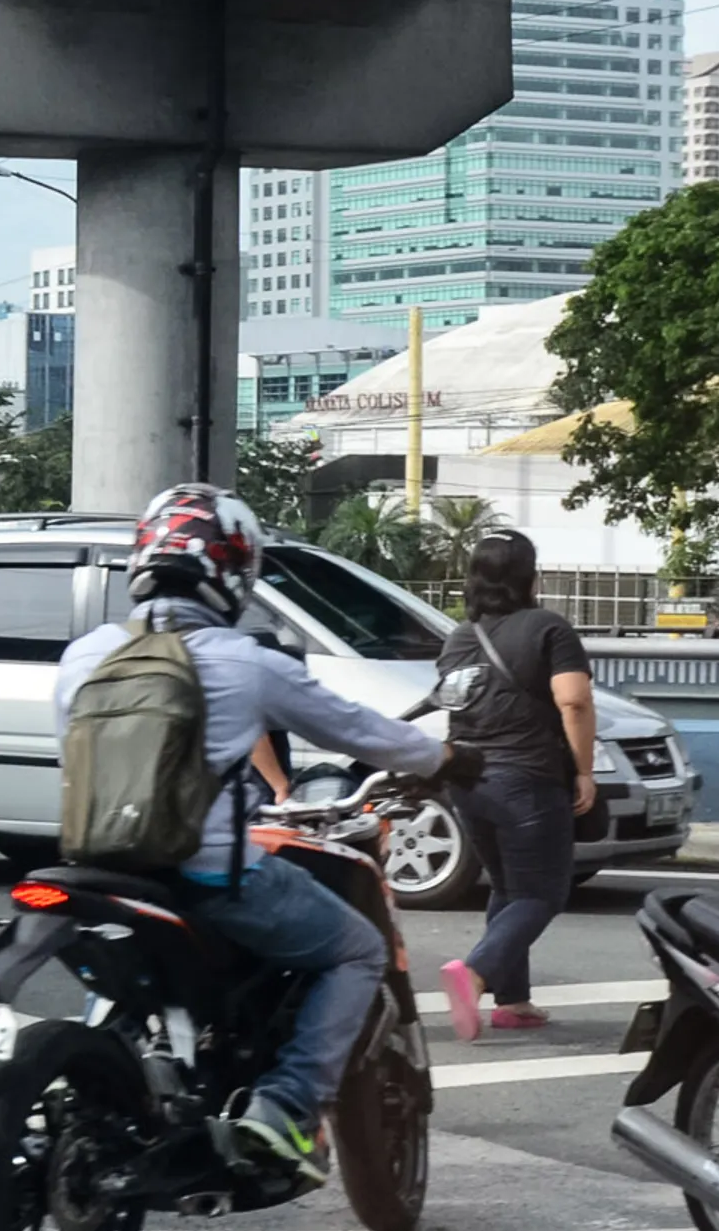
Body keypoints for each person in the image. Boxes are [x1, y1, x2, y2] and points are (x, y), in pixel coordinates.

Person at [49, 485, 472, 1185]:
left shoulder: (82, 655)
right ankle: (285, 1108)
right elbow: (359, 730)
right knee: (357, 949)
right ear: (234, 570)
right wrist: (447, 758)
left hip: (93, 868)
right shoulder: (245, 661)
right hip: (207, 871)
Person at [434, 528, 596, 1040]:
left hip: (468, 780)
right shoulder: (548, 628)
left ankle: (514, 1001)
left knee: (508, 887)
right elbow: (573, 701)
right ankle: (477, 974)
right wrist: (586, 770)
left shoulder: (460, 637)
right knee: (543, 891)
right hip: (527, 778)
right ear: (530, 575)